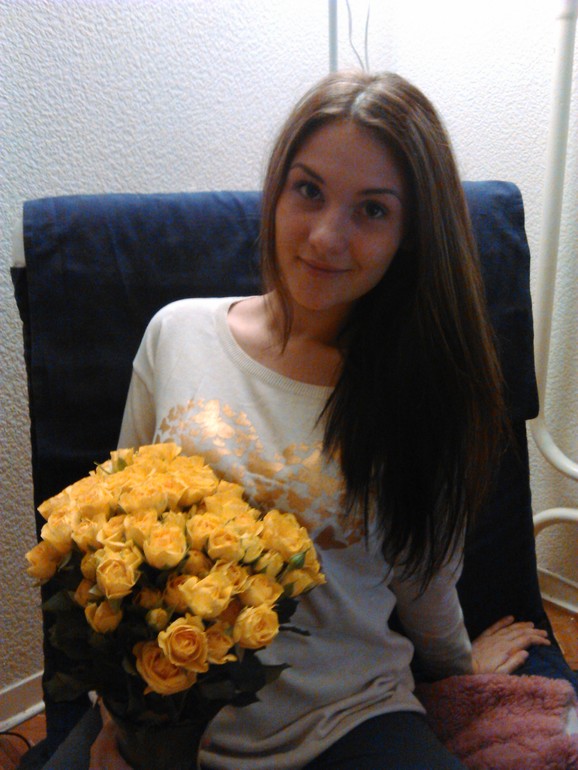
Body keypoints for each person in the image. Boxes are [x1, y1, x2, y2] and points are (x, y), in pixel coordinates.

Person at [86, 70, 549, 769]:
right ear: (277, 191)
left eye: (372, 210)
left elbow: (424, 581)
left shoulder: (424, 392)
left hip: (349, 719)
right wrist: (113, 721)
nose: (328, 237)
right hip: (167, 719)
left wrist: (461, 668)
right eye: (309, 191)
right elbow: (109, 535)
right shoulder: (177, 334)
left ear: (410, 234)